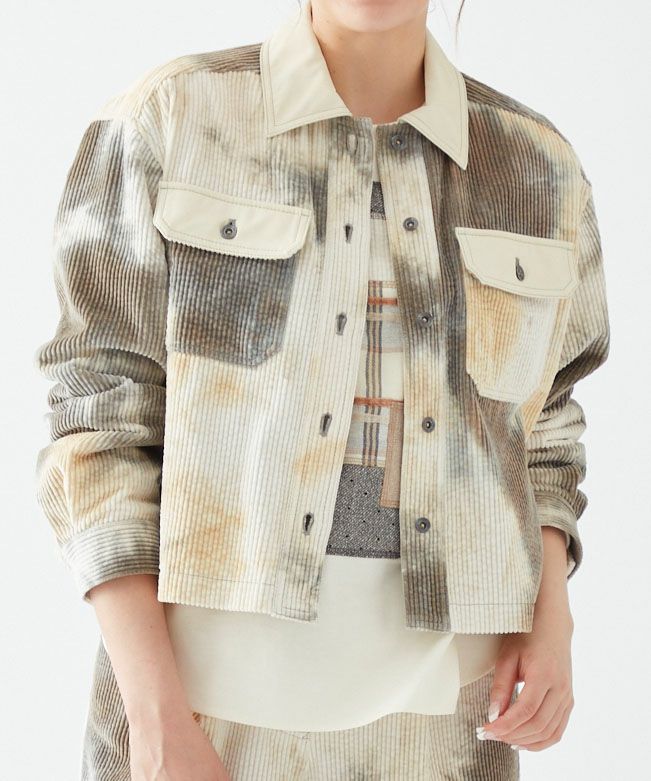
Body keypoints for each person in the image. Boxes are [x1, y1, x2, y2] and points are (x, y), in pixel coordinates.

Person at [33, 0, 610, 779]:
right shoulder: (172, 119)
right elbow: (99, 420)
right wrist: (155, 714)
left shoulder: (536, 165)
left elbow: (544, 429)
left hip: (445, 724)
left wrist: (551, 618)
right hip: (206, 713)